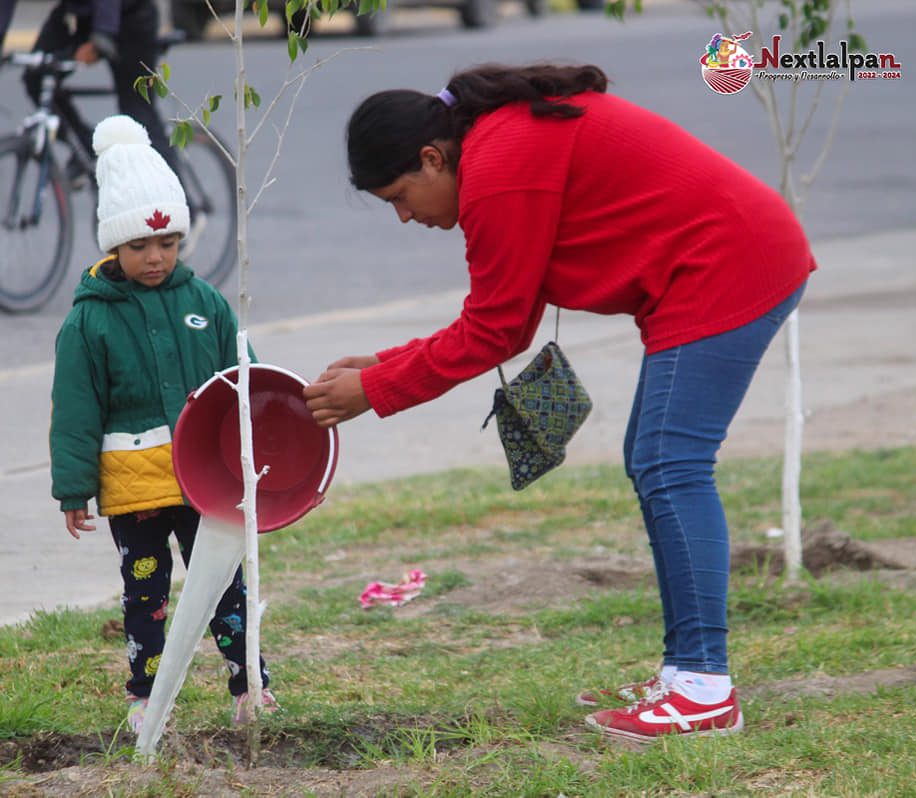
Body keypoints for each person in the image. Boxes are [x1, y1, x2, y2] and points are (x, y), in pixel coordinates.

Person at [303, 63, 813, 742]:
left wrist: (373, 391)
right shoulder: (498, 146)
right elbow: (503, 316)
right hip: (717, 262)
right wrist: (389, 363)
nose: (404, 216)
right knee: (657, 460)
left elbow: (496, 329)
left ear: (433, 157)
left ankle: (703, 688)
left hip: (729, 262)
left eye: (400, 195)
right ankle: (686, 675)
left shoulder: (500, 169)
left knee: (670, 464)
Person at [48, 114, 276, 734]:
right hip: (135, 488)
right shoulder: (88, 322)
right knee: (144, 597)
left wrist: (261, 443)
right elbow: (74, 410)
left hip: (206, 481)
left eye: (168, 242)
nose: (156, 257)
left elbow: (243, 379)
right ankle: (146, 695)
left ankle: (248, 683)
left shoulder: (206, 303)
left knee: (225, 585)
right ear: (112, 247)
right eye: (140, 246)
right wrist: (73, 487)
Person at [0, 0, 178, 184]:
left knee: (138, 111)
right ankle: (88, 148)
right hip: (80, 15)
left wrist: (102, 34)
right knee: (37, 78)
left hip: (128, 17)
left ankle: (179, 203)